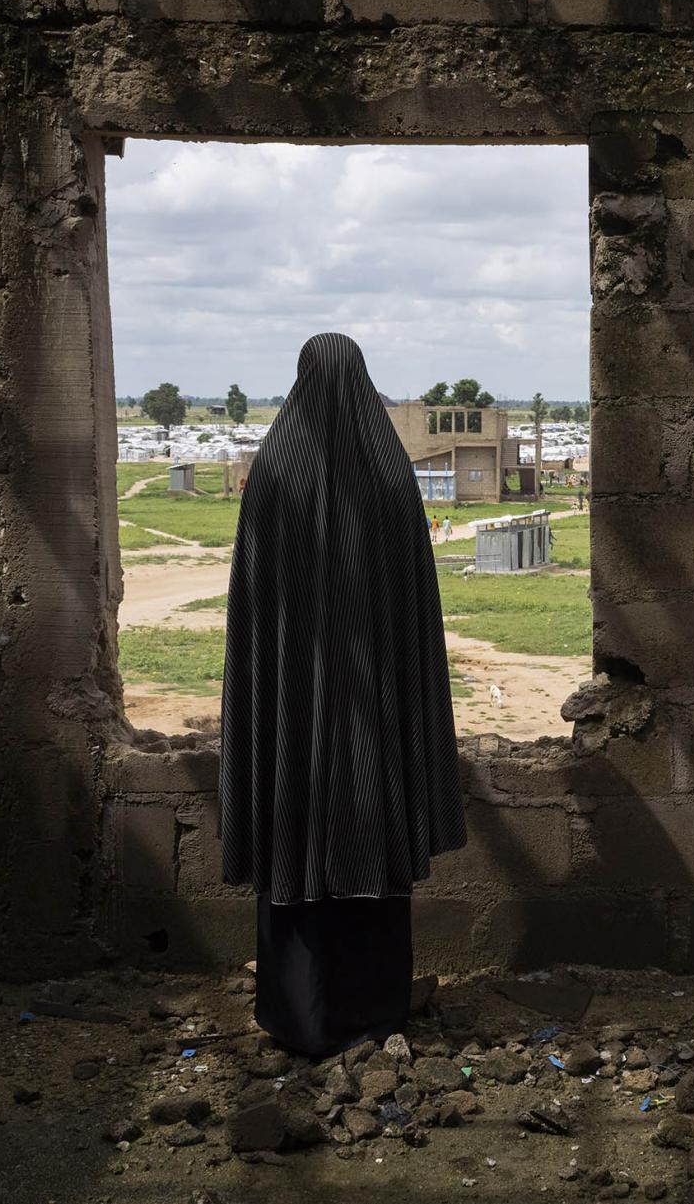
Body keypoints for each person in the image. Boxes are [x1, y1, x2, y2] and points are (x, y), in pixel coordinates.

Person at [218, 333, 467, 1059]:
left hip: (290, 722)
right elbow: (413, 621)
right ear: (364, 384)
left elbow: (255, 623)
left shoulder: (272, 476)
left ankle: (298, 1018)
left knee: (296, 835)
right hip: (376, 730)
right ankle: (374, 1013)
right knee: (371, 834)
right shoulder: (392, 478)